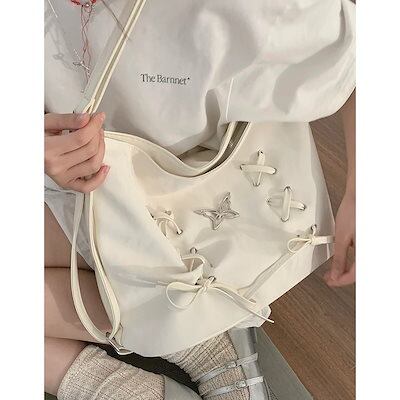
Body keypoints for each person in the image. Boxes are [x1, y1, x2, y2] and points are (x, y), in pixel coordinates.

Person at [44, 0, 356, 399]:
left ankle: (185, 340)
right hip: (86, 194)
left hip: (183, 217)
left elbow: (357, 52)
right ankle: (187, 348)